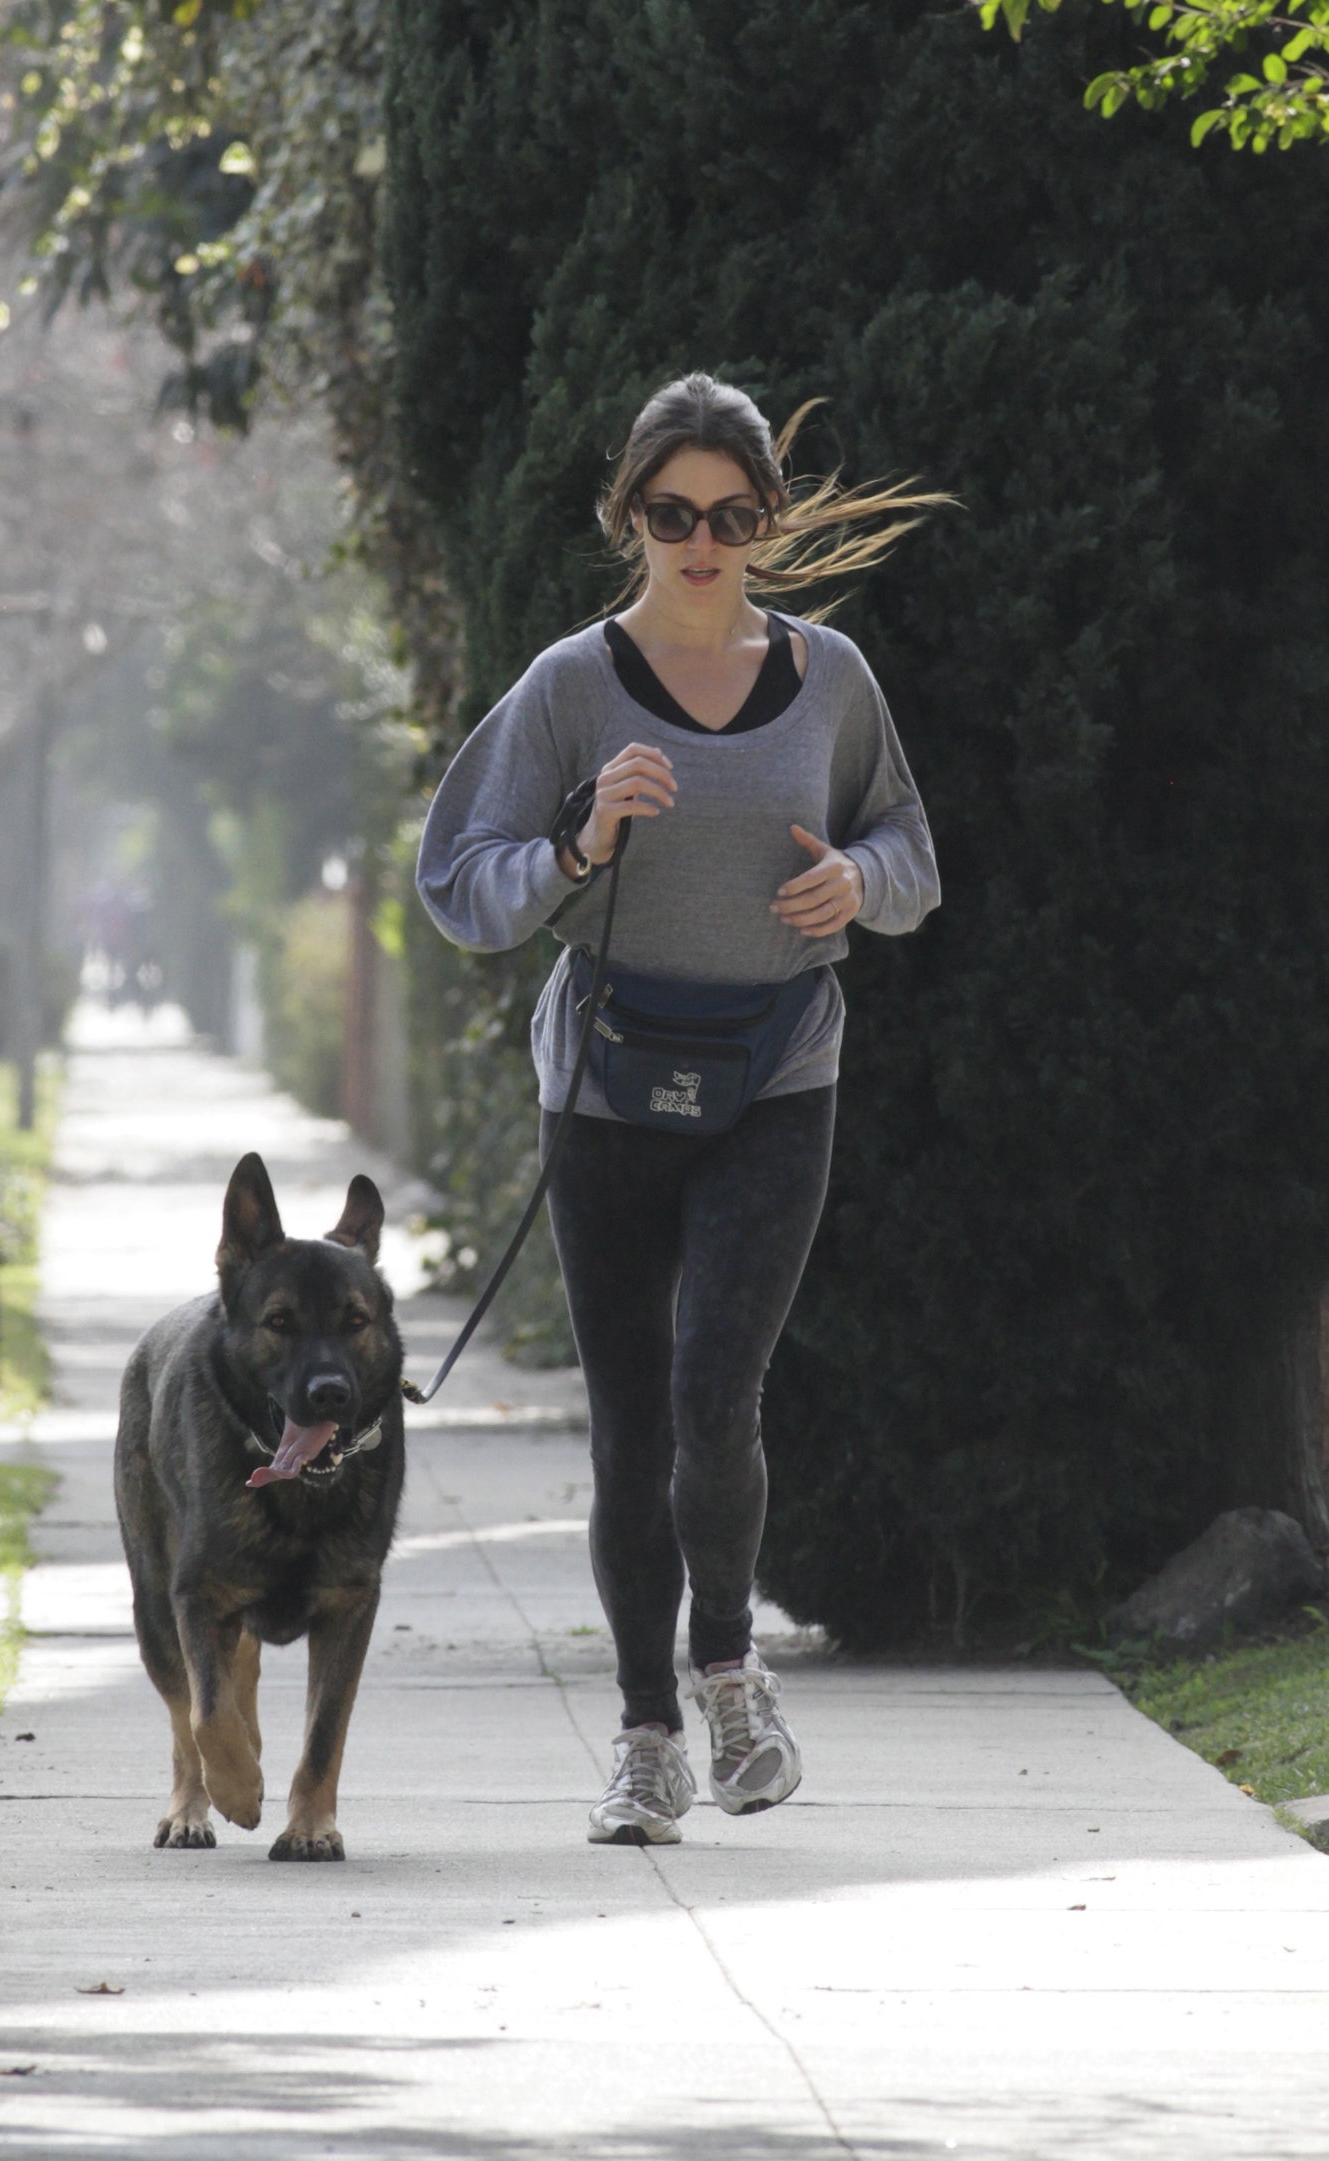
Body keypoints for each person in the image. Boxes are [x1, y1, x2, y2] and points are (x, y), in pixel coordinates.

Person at [415, 373, 942, 1845]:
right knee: (633, 1420)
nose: (700, 542)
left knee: (718, 1390)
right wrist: (583, 837)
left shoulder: (831, 680)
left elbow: (910, 846)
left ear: (766, 522)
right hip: (606, 1087)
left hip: (779, 1073)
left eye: (730, 515)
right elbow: (464, 881)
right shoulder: (572, 686)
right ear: (628, 517)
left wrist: (860, 882)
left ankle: (729, 1678)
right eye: (671, 514)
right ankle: (644, 1738)